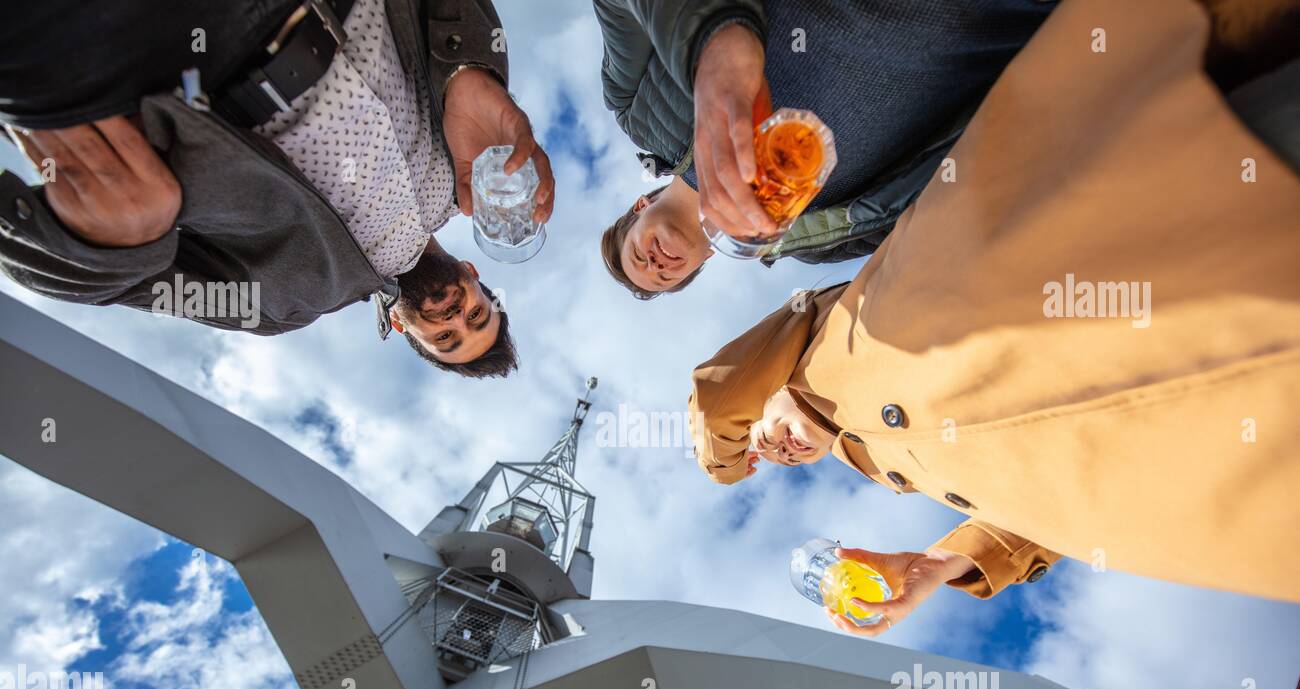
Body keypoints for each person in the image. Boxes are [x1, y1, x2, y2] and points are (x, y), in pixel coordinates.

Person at [688, 0, 1300, 634]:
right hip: (1225, 458)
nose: (782, 449)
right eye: (789, 460)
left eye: (765, 430)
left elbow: (717, 393)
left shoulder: (825, 331)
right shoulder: (902, 471)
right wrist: (942, 563)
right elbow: (1045, 506)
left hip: (1143, 223)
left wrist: (730, 462)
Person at [0, 0, 554, 378]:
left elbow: (108, 285)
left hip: (141, 53)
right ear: (478, 280)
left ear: (399, 328)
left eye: (445, 338)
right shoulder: (468, 177)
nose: (454, 316)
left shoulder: (285, 306)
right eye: (477, 316)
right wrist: (471, 70)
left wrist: (119, 243)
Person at [594, 0, 1061, 299]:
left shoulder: (635, 106)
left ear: (639, 208)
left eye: (640, 256)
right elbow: (936, 210)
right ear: (697, 267)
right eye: (663, 277)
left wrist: (712, 44)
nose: (656, 264)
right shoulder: (815, 245)